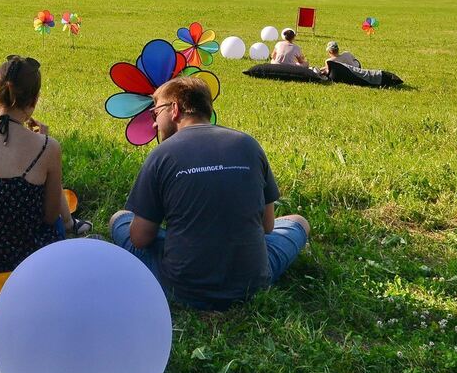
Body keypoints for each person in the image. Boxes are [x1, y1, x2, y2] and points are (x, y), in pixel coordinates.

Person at [109, 77, 310, 310]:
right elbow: (267, 227)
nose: (154, 124)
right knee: (298, 221)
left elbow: (140, 238)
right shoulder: (248, 144)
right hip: (252, 282)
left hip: (183, 288)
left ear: (174, 109)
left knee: (120, 218)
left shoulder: (161, 155)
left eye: (155, 113)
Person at [0, 55, 85, 275]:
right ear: (35, 99)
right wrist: (44, 143)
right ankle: (73, 225)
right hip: (27, 260)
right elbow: (49, 217)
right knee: (58, 225)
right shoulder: (48, 147)